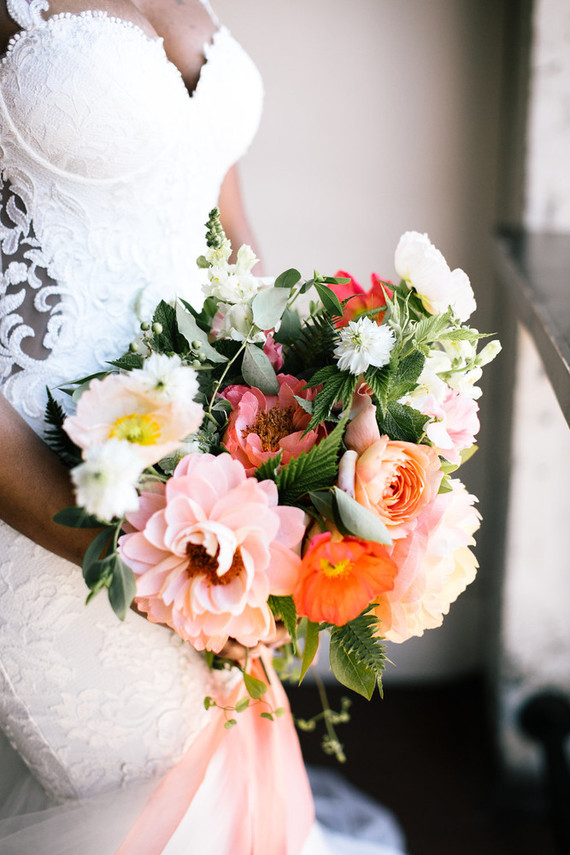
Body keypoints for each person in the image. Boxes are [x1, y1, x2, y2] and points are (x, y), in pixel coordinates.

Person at [0, 2, 407, 852]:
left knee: (226, 780)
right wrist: (142, 557)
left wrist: (303, 424)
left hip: (214, 481)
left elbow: (228, 237)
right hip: (46, 496)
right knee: (144, 805)